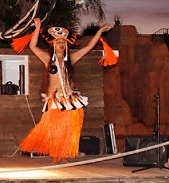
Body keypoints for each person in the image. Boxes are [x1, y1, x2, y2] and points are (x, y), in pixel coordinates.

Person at [19, 18, 112, 163]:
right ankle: (56, 155)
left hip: (69, 99)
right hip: (55, 100)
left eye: (63, 42)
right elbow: (33, 46)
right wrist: (37, 27)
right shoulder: (48, 59)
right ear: (53, 44)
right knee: (54, 129)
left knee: (68, 129)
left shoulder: (70, 59)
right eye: (58, 42)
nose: (61, 44)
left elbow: (88, 48)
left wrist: (99, 32)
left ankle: (61, 154)